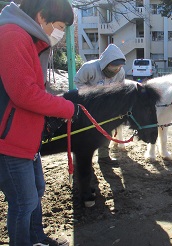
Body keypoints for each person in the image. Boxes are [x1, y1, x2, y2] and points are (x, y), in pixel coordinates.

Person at [0, 0, 80, 245]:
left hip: (23, 138)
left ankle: (35, 238)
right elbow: (24, 93)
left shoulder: (25, 38)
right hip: (9, 141)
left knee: (35, 192)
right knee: (23, 202)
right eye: (57, 25)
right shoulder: (13, 35)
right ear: (41, 16)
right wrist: (66, 107)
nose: (58, 33)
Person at [74, 44, 126, 165]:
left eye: (119, 67)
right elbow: (77, 81)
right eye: (113, 67)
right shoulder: (89, 68)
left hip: (107, 107)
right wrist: (90, 95)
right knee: (86, 133)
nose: (116, 70)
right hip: (88, 104)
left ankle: (103, 157)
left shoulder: (120, 72)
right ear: (106, 63)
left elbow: (120, 89)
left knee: (106, 130)